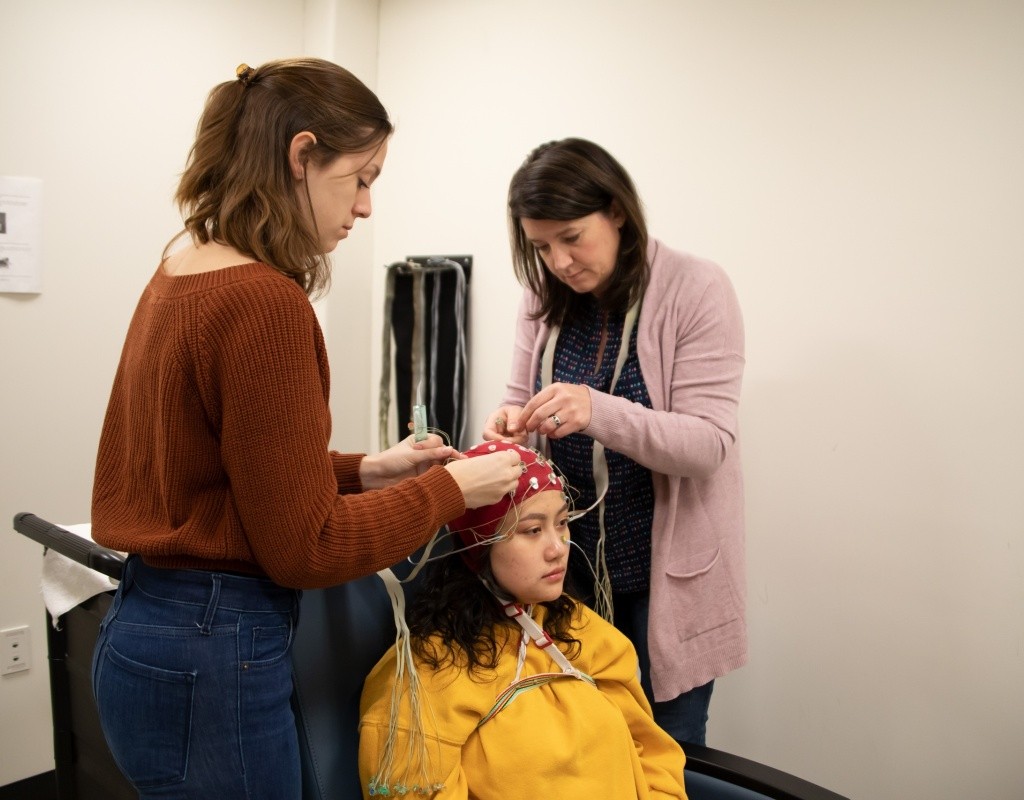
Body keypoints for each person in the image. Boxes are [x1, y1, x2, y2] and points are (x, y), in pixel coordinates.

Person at [89, 58, 522, 800]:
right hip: (215, 652)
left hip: (143, 632)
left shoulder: (182, 269)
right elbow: (307, 548)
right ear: (301, 156)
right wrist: (452, 489)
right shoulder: (266, 303)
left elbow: (219, 469)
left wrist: (366, 470)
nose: (366, 207)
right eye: (361, 177)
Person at [482, 137, 746, 747]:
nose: (560, 261)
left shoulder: (697, 288)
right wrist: (508, 422)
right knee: (580, 753)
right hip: (567, 575)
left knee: (665, 753)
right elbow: (519, 399)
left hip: (663, 584)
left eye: (572, 237)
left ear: (618, 212)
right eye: (541, 246)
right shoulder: (542, 299)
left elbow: (709, 444)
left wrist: (597, 410)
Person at [359, 441, 687, 799]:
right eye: (533, 530)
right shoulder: (430, 671)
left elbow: (654, 757)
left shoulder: (582, 631)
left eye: (562, 523)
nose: (558, 548)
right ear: (480, 545)